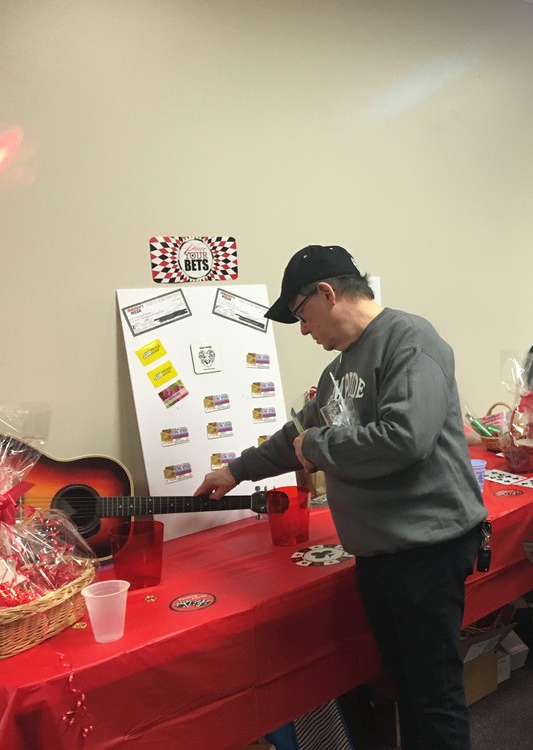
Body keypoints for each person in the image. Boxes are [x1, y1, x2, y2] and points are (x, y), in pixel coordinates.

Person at [195, 244, 487, 750]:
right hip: (379, 553)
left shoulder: (410, 340)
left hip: (427, 550)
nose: (302, 330)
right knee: (406, 685)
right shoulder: (336, 373)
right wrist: (235, 471)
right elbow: (296, 435)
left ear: (327, 294)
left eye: (300, 315)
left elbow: (405, 439)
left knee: (432, 693)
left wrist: (318, 446)